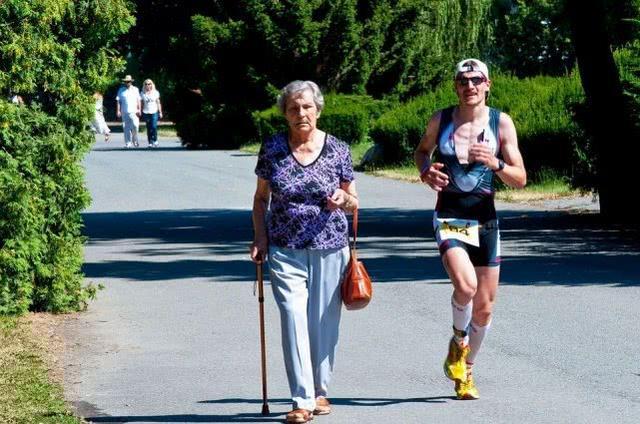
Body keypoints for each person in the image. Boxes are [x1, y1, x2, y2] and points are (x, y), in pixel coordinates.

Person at [414, 59, 526, 400]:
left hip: (486, 221)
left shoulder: (500, 123)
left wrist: (496, 163)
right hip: (451, 217)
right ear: (456, 86)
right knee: (466, 285)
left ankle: (466, 369)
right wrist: (425, 171)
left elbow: (520, 179)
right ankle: (459, 339)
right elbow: (421, 151)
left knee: (485, 307)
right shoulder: (441, 119)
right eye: (463, 81)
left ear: (488, 84)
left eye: (476, 80)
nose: (470, 86)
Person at [250, 80, 358, 423]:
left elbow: (355, 202)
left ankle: (320, 389)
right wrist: (260, 238)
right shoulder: (272, 149)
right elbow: (260, 198)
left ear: (319, 109)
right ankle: (302, 399)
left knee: (324, 323)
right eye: (294, 108)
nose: (301, 114)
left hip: (330, 246)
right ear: (285, 113)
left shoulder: (338, 149)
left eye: (307, 107)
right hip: (285, 247)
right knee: (293, 317)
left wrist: (345, 200)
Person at [115, 75, 141, 148]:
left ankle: (135, 141)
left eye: (128, 81)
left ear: (131, 82)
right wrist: (118, 111)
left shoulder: (136, 89)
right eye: (126, 82)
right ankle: (128, 143)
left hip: (134, 112)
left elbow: (138, 100)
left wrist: (139, 109)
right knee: (126, 128)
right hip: (124, 111)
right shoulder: (121, 90)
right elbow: (118, 101)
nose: (127, 83)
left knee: (135, 126)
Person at [141, 78, 163, 147]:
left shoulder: (155, 92)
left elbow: (158, 102)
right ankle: (150, 142)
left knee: (154, 126)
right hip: (146, 112)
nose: (148, 85)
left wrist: (160, 112)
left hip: (154, 111)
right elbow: (141, 103)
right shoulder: (142, 93)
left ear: (152, 84)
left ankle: (155, 140)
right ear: (144, 85)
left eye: (149, 84)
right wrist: (140, 111)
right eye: (146, 84)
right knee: (148, 127)